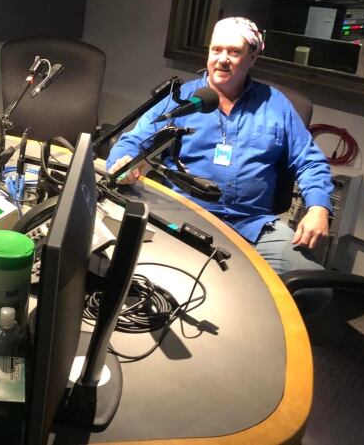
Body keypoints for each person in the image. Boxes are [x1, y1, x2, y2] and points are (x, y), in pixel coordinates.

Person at [107, 17, 333, 308]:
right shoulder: (184, 99)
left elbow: (310, 160)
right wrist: (123, 162)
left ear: (253, 56)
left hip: (252, 223)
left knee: (315, 290)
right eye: (216, 50)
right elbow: (133, 141)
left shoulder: (275, 105)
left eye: (234, 52)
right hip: (186, 216)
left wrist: (318, 207)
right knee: (145, 276)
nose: (222, 60)